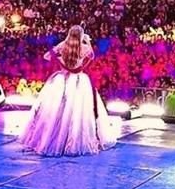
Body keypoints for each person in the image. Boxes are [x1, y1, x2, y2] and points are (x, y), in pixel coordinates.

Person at [19, 25, 117, 156]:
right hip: (78, 81)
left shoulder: (63, 45)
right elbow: (92, 56)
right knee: (76, 113)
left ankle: (53, 140)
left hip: (62, 79)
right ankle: (72, 142)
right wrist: (87, 41)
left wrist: (60, 60)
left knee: (57, 111)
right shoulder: (85, 47)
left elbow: (47, 56)